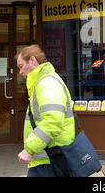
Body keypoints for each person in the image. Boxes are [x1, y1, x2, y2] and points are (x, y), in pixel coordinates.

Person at [16, 44, 75, 177]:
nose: (20, 72)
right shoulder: (44, 82)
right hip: (48, 156)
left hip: (50, 158)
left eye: (21, 66)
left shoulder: (47, 84)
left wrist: (29, 149)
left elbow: (52, 121)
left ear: (32, 60)